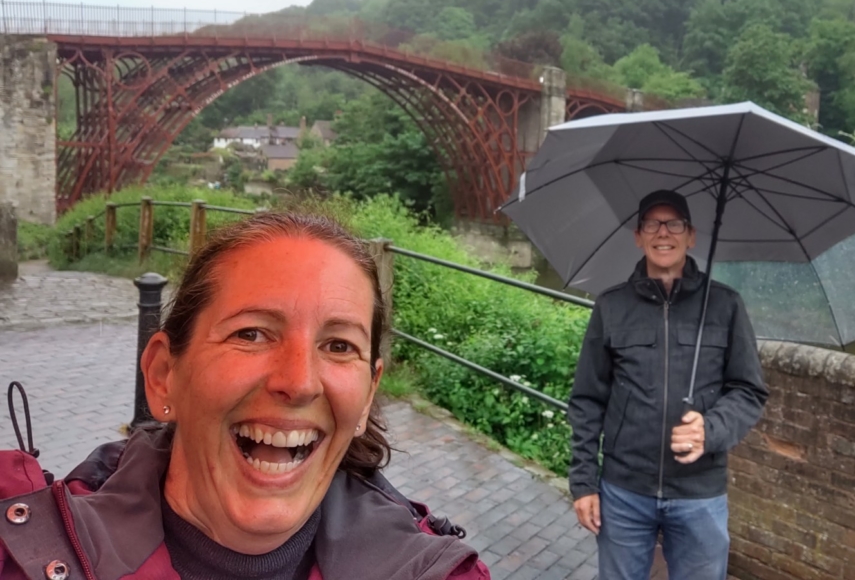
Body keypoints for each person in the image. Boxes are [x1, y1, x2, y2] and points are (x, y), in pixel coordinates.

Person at [0, 211, 488, 580]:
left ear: (367, 396)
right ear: (164, 375)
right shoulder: (22, 551)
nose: (298, 382)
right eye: (252, 334)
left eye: (339, 346)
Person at [568, 189, 768, 580]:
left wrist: (711, 429)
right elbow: (587, 400)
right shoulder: (611, 306)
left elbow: (748, 390)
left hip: (700, 494)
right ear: (638, 236)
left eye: (674, 223)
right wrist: (583, 483)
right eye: (652, 224)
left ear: (691, 235)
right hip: (624, 490)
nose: (664, 233)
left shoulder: (726, 305)